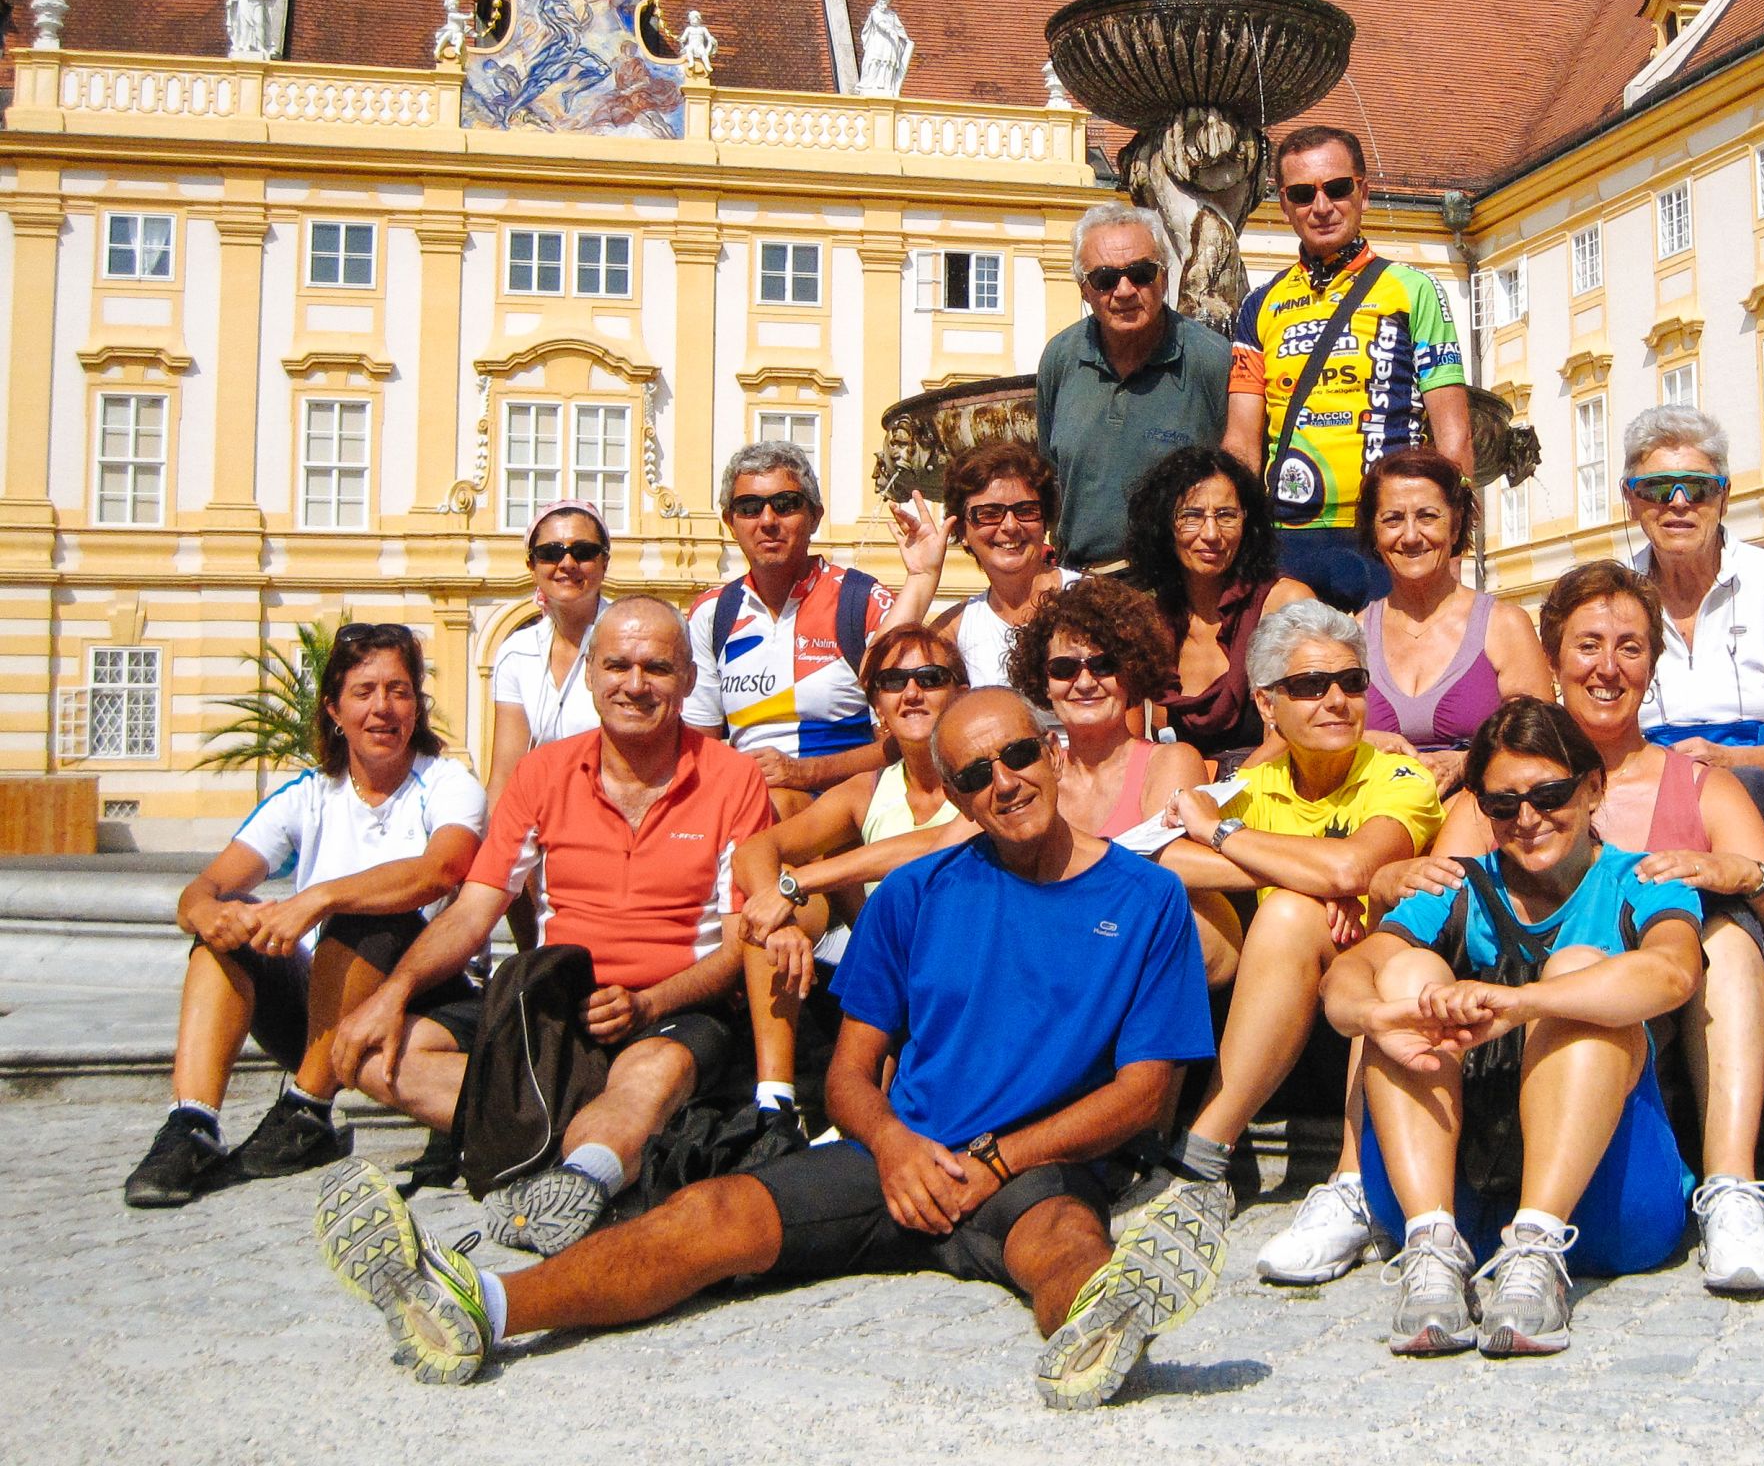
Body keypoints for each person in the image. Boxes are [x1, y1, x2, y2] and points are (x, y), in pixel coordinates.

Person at [315, 689, 1231, 1412]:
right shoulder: (917, 892)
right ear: (951, 794)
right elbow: (846, 1074)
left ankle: (1101, 1332)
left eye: (1020, 755)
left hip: (1035, 1161)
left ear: (1056, 753)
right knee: (710, 1214)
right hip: (900, 1157)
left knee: (1067, 1241)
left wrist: (1001, 1159)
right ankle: (486, 1304)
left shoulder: (1147, 899)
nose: (1006, 783)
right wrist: (899, 1146)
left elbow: (1145, 1098)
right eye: (976, 773)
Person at [1392, 561, 1764, 1294]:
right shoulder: (1500, 794)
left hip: (1664, 1037)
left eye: (1630, 647)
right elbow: (1429, 906)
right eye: (1587, 646)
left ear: (1654, 662)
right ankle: (1357, 1178)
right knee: (1406, 963)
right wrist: (1390, 878)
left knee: (1731, 934)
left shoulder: (1702, 785)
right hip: (1518, 1043)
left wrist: (1749, 877)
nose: (1607, 668)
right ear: (1551, 660)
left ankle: (1732, 1186)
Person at [332, 598, 769, 1257]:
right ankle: (582, 1134)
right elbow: (476, 909)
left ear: (685, 680)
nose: (634, 684)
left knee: (649, 1074)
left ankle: (573, 1181)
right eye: (617, 665)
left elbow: (740, 944)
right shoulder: (542, 773)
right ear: (590, 675)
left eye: (656, 667)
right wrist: (392, 994)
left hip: (675, 1004)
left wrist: (650, 1001)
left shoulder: (731, 777)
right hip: (558, 1009)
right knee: (370, 1052)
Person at [1323, 698, 1707, 1356]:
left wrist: (1526, 1004)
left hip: (1606, 1206)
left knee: (1580, 973)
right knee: (1409, 973)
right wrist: (1381, 1016)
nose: (1527, 820)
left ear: (1593, 788)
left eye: (1548, 795)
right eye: (1503, 806)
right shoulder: (1455, 886)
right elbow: (1347, 977)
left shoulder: (1643, 879)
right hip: (1450, 1195)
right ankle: (1432, 1250)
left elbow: (1672, 974)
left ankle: (1538, 1244)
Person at [123, 624, 486, 1208]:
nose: (382, 708)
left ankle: (308, 1111)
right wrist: (206, 913)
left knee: (367, 916)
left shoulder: (448, 785)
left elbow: (439, 871)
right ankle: (191, 1125)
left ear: (417, 707)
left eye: (399, 691)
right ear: (334, 709)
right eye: (364, 691)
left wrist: (317, 897)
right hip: (324, 1014)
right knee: (231, 921)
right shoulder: (308, 795)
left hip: (422, 1002)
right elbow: (207, 885)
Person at [1158, 602, 1444, 1253]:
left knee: (1288, 912)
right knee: (1292, 906)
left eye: (1351, 682)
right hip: (1310, 959)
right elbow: (1169, 851)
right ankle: (1205, 1158)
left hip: (1395, 961)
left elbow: (1352, 864)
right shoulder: (1255, 782)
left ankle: (1201, 1155)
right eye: (1310, 685)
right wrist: (1301, 876)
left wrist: (1229, 838)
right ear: (1267, 704)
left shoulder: (1397, 773)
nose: (1336, 700)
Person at [733, 625, 975, 1136]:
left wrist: (796, 884)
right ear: (876, 708)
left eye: (930, 678)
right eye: (893, 682)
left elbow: (935, 848)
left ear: (961, 694)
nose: (911, 693)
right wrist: (778, 917)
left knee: (785, 892)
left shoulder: (981, 775)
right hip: (891, 966)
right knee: (760, 914)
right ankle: (775, 1103)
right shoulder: (869, 789)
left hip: (965, 965)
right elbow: (758, 847)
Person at [1222, 125, 1472, 610]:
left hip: (1387, 532)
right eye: (1302, 193)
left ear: (1362, 192)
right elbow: (1241, 441)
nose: (1321, 206)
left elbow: (1454, 433)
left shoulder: (1413, 289)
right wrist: (1238, 540)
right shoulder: (1258, 305)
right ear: (1283, 203)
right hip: (1286, 535)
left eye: (1336, 188)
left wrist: (1454, 547)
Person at [1004, 576, 1238, 986]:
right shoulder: (1034, 773)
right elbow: (949, 845)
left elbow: (1161, 867)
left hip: (1147, 976)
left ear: (1132, 670)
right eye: (1063, 668)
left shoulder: (1168, 760)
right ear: (1044, 682)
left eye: (1104, 665)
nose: (1084, 682)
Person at [684, 440, 938, 813]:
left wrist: (805, 773)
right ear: (730, 522)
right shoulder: (712, 613)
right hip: (749, 805)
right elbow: (696, 747)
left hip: (847, 805)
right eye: (750, 508)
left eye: (785, 505)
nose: (768, 521)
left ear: (815, 516)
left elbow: (904, 741)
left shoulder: (862, 600)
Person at [1618, 406, 1764, 835]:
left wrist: (1729, 762)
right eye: (1657, 489)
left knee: (1747, 790)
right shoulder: (1612, 595)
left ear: (1725, 497)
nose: (1678, 503)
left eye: (1698, 488)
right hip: (1647, 802)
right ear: (1631, 499)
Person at [1037, 204, 1235, 570]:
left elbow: (1240, 480)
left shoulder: (1212, 360)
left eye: (1141, 273)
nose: (1124, 290)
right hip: (1082, 582)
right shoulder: (1060, 358)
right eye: (1105, 279)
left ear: (1163, 278)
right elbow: (1048, 479)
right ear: (1084, 289)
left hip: (1177, 588)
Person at [1356, 447, 1551, 793]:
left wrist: (1466, 762)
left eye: (1428, 516)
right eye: (1393, 519)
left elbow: (1539, 738)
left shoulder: (1504, 626)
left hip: (1482, 809)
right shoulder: (1353, 634)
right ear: (1373, 531)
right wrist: (1358, 745)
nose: (1411, 536)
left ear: (1457, 521)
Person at [1126, 444, 1314, 772]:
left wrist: (1224, 788)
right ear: (1163, 526)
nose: (1211, 534)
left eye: (1226, 516)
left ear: (1248, 522)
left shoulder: (1287, 604)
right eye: (1192, 516)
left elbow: (1310, 720)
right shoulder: (1145, 623)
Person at [927, 441, 1078, 688]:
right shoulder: (956, 628)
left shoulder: (1090, 601)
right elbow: (882, 682)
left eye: (1026, 510)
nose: (1010, 526)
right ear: (962, 530)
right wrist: (922, 576)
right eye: (989, 513)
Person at [486, 502, 611, 795]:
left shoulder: (632, 640)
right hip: (541, 820)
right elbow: (505, 775)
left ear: (605, 563)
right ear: (531, 566)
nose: (567, 563)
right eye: (550, 553)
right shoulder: (517, 652)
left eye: (583, 552)